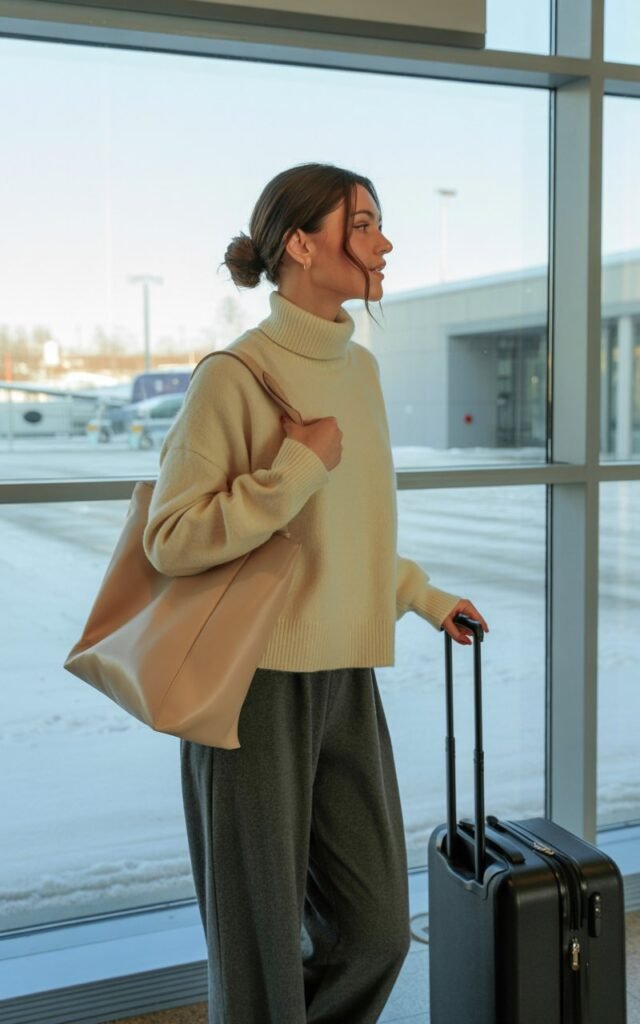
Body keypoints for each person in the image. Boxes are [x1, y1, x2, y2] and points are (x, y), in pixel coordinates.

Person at [143, 162, 489, 1024]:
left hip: (347, 681)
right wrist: (296, 466)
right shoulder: (233, 375)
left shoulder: (360, 374)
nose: (384, 243)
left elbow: (356, 532)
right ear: (301, 244)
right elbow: (172, 539)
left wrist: (421, 596)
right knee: (260, 950)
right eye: (364, 224)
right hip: (252, 689)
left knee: (376, 930)